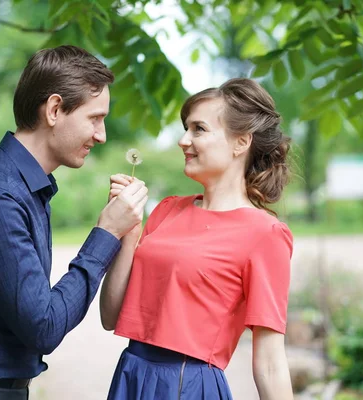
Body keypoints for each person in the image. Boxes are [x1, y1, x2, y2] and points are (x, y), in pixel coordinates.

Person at [0, 45, 148, 400]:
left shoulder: (26, 187)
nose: (101, 135)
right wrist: (106, 233)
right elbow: (43, 326)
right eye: (94, 118)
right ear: (54, 109)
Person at [101, 78, 294, 399]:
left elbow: (271, 359)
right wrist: (129, 231)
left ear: (241, 142)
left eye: (198, 129)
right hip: (130, 375)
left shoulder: (265, 234)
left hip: (187, 386)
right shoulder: (165, 211)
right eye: (185, 128)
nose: (183, 140)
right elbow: (110, 316)